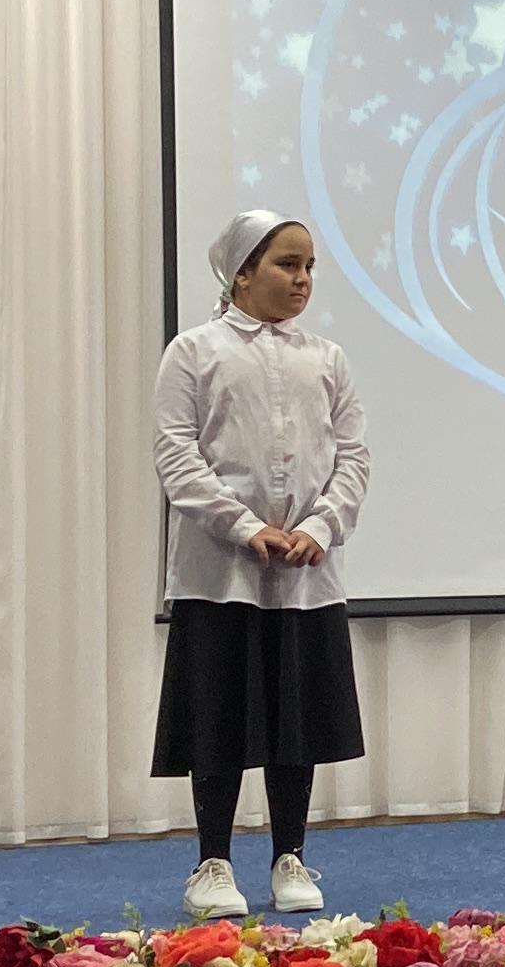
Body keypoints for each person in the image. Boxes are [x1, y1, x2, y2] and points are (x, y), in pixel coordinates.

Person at [152, 210, 371, 916]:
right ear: (241, 272)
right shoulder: (194, 351)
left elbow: (353, 457)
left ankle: (290, 857)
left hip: (306, 573)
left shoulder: (327, 359)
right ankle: (212, 863)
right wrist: (246, 527)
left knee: (295, 716)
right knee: (218, 714)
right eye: (286, 264)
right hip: (220, 572)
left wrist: (319, 525)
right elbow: (176, 455)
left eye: (309, 267)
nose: (302, 279)